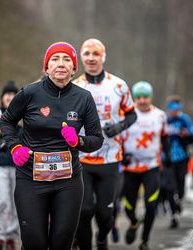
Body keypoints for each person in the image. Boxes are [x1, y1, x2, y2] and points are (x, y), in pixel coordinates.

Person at [0, 42, 104, 250]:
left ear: (75, 69)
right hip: (30, 177)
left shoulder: (83, 98)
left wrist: (78, 141)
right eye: (54, 59)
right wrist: (15, 147)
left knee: (61, 242)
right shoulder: (29, 93)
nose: (61, 64)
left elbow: (96, 138)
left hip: (68, 181)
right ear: (46, 67)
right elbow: (6, 122)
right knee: (34, 243)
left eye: (67, 60)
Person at [73, 38, 137, 250]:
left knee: (104, 212)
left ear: (103, 57)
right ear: (81, 57)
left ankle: (102, 238)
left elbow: (132, 115)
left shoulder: (118, 85)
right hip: (82, 158)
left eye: (95, 54)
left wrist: (118, 128)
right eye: (87, 54)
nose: (91, 58)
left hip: (110, 159)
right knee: (83, 210)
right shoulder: (75, 86)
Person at [121, 81, 170, 250]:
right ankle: (134, 222)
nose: (142, 100)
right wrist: (122, 155)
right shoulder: (126, 114)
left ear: (150, 97)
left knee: (151, 205)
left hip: (151, 167)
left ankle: (145, 241)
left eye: (145, 97)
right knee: (129, 206)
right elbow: (118, 137)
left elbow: (164, 137)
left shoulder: (160, 116)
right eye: (139, 97)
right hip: (130, 168)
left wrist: (168, 155)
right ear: (134, 98)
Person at [0, 81, 20, 250]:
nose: (9, 97)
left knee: (16, 202)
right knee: (1, 201)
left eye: (13, 94)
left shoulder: (22, 116)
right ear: (2, 99)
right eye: (7, 94)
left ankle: (11, 236)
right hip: (0, 164)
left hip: (18, 166)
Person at [165, 95, 193, 228]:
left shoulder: (184, 119)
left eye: (176, 109)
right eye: (172, 109)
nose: (174, 111)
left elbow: (192, 138)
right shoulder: (164, 120)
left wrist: (187, 134)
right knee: (169, 186)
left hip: (182, 158)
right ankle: (174, 215)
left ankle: (178, 201)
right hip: (168, 159)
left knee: (180, 185)